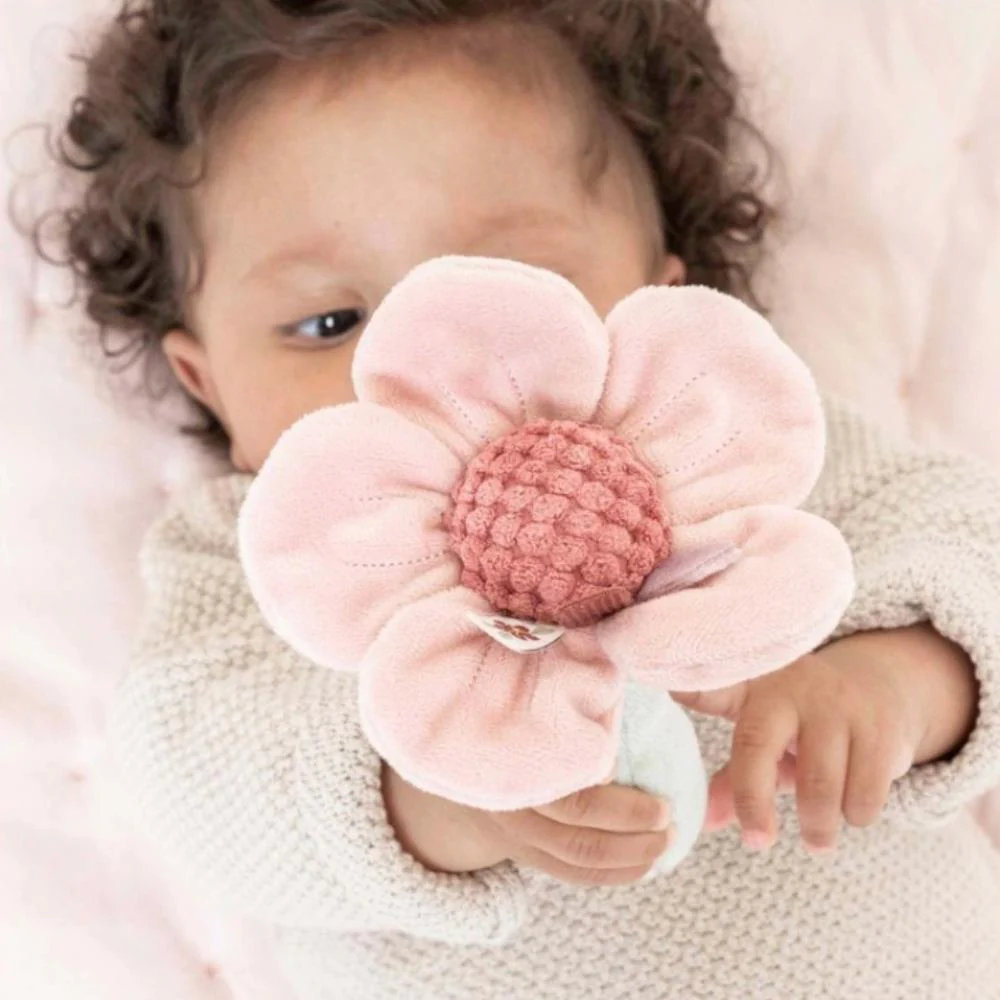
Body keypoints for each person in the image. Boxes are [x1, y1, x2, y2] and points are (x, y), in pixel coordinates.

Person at [44, 0, 1000, 996]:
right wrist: (440, 802)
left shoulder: (721, 436)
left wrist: (894, 685)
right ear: (210, 384)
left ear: (662, 297)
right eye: (331, 321)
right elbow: (198, 778)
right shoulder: (260, 554)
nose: (433, 366)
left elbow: (970, 547)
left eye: (509, 281)